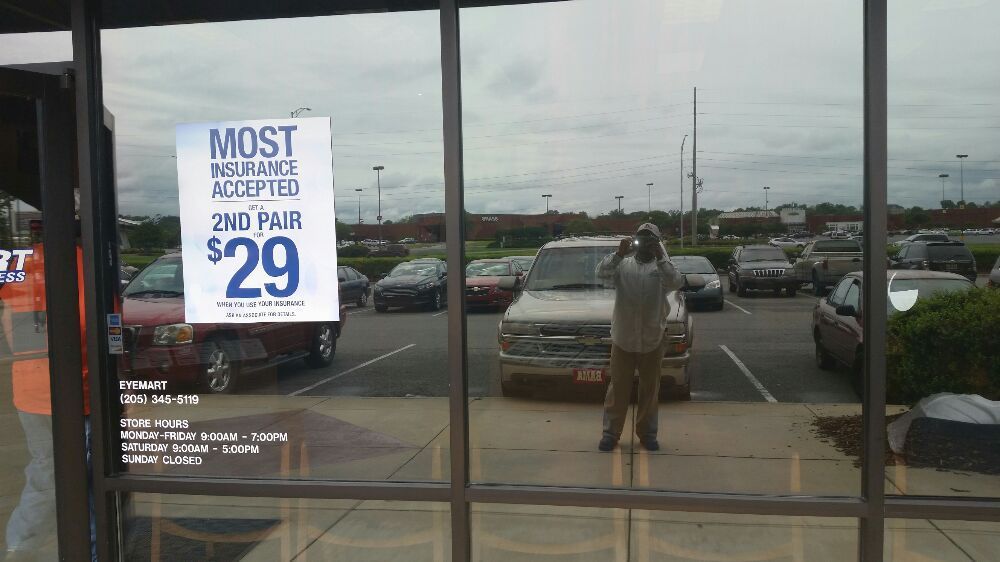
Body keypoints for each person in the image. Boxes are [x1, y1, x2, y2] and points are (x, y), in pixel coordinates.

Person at [596, 223, 682, 452]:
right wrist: (618, 253)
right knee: (618, 388)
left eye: (650, 239)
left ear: (657, 241)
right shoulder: (623, 265)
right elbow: (601, 274)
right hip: (623, 337)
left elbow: (676, 283)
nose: (644, 243)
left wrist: (662, 256)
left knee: (649, 389)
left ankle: (648, 434)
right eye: (641, 238)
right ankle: (610, 434)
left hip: (652, 337)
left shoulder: (662, 267)